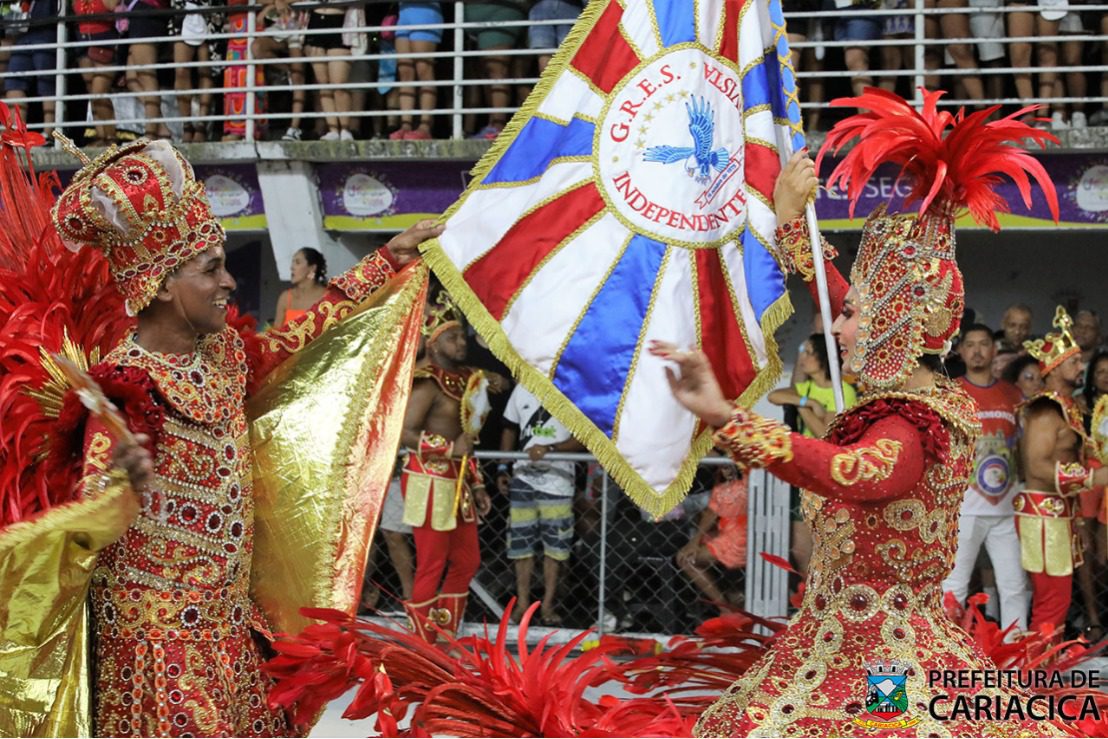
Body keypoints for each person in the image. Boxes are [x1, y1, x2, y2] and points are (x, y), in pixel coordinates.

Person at [651, 90, 1066, 735]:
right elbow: (847, 295)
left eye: (849, 318)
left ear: (893, 325)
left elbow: (859, 473)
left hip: (884, 665)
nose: (837, 329)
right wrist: (791, 222)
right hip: (843, 641)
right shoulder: (925, 395)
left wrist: (728, 417)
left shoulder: (909, 421)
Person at [5, 136, 440, 736]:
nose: (230, 282)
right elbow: (79, 535)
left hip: (230, 637)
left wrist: (387, 257)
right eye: (210, 269)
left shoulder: (228, 357)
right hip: (155, 657)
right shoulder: (125, 392)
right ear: (159, 284)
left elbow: (301, 336)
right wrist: (111, 494)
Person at [399, 293, 493, 642]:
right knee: (431, 564)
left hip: (459, 482)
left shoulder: (468, 381)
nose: (461, 342)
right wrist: (449, 448)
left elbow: (468, 437)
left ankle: (444, 635)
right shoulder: (428, 381)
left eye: (462, 336)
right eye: (452, 337)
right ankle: (422, 644)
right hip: (428, 479)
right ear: (433, 343)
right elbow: (404, 432)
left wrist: (478, 483)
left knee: (466, 562)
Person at [1016, 307, 1106, 641]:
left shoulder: (1068, 407)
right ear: (1054, 368)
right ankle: (1037, 680)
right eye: (1074, 362)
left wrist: (1079, 519)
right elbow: (1036, 466)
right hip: (1043, 515)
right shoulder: (1044, 410)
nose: (1081, 367)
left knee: (1058, 602)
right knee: (1051, 605)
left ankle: (1043, 675)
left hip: (1059, 513)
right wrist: (1092, 478)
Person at [941, 324, 1029, 636]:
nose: (977, 351)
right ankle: (945, 654)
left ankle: (1016, 657)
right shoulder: (950, 394)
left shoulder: (1013, 394)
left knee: (1014, 584)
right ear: (960, 351)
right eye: (971, 345)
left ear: (995, 351)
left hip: (1006, 508)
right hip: (964, 507)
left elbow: (1023, 447)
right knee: (953, 585)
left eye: (984, 344)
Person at [768, 333, 856, 576]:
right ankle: (811, 596)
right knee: (800, 548)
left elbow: (824, 434)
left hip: (828, 474)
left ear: (822, 356)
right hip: (803, 473)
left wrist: (802, 408)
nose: (803, 358)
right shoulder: (804, 388)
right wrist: (808, 401)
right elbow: (773, 396)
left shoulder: (843, 392)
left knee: (828, 544)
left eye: (808, 352)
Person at [498, 384, 585, 625]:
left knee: (556, 548)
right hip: (523, 478)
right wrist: (503, 467)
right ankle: (523, 604)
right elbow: (509, 429)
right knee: (520, 544)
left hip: (559, 481)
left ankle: (548, 605)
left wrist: (551, 448)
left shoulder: (572, 389)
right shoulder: (522, 389)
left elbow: (584, 437)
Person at [676, 462, 748, 612]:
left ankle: (725, 609)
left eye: (730, 466)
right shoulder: (722, 488)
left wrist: (695, 542)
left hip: (739, 536)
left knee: (687, 560)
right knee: (688, 557)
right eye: (724, 467)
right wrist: (695, 542)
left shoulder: (746, 484)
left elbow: (711, 514)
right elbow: (711, 513)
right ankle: (727, 608)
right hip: (729, 532)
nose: (727, 471)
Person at [390, 1, 442, 140]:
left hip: (426, 11)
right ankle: (405, 125)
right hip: (404, 13)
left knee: (424, 69)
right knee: (405, 72)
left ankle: (425, 127)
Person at [275, 247, 328, 326]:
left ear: (312, 268)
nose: (292, 267)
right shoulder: (286, 298)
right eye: (292, 263)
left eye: (297, 262)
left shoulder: (328, 298)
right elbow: (275, 334)